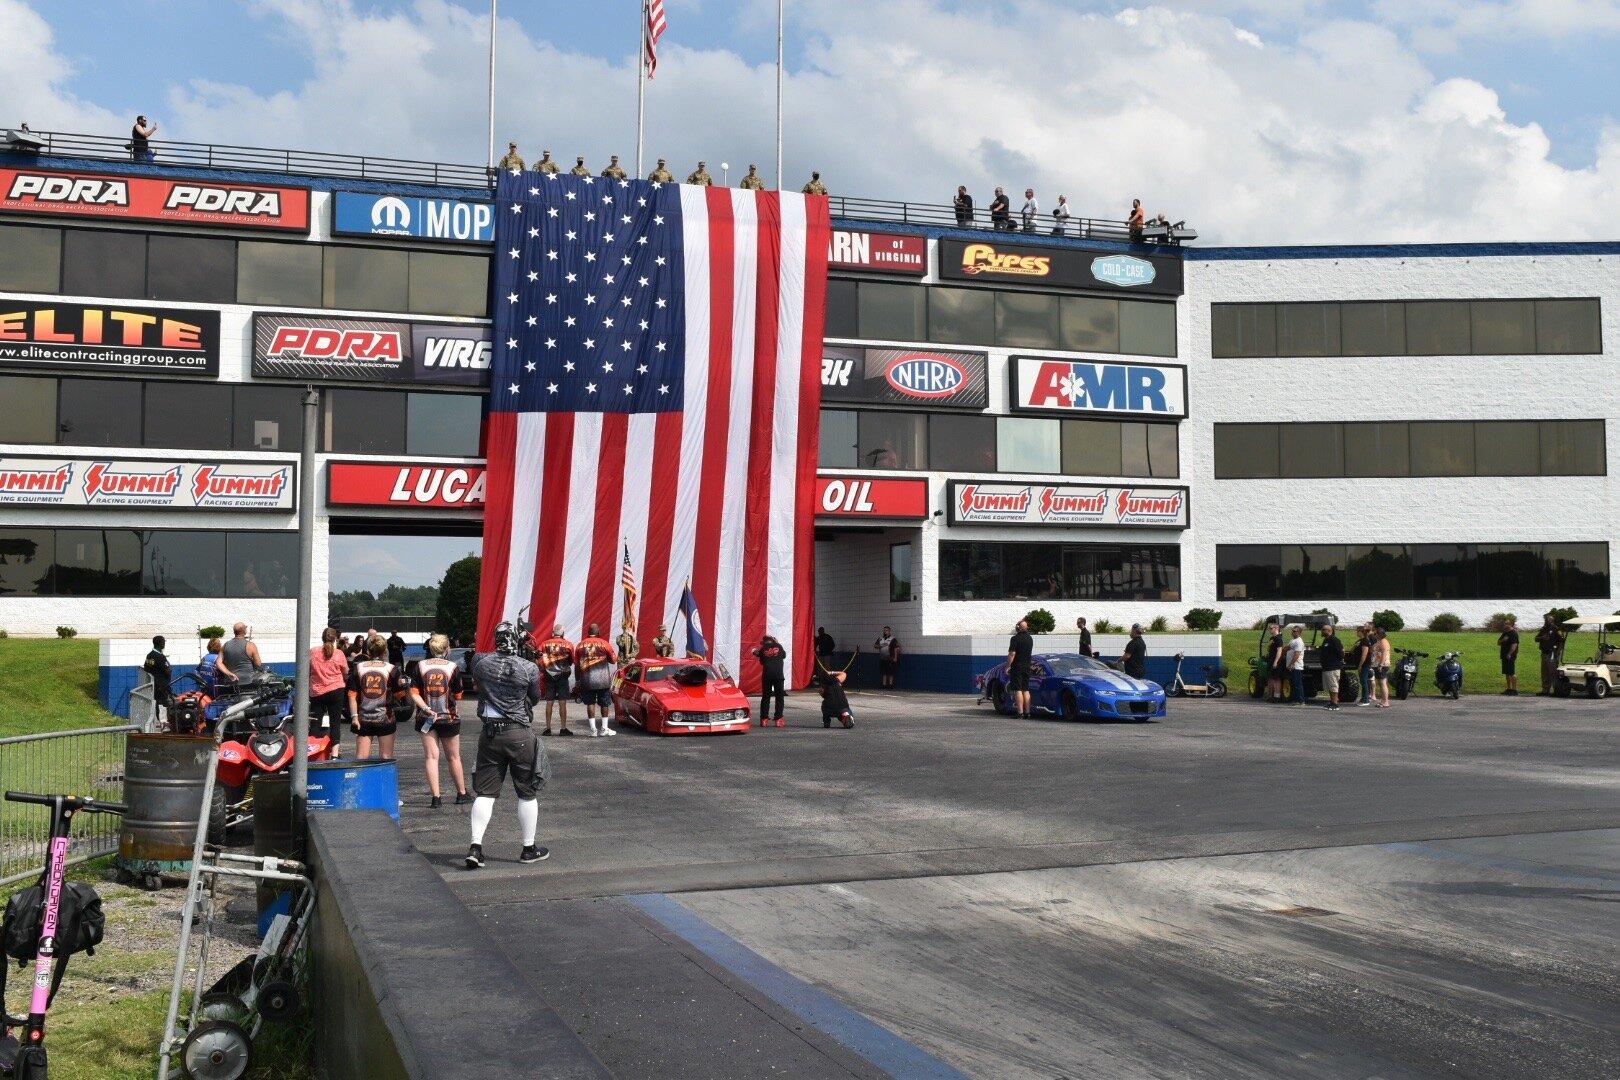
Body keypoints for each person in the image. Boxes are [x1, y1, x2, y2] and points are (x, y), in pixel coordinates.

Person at [466, 622, 550, 868]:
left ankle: (475, 846)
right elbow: (534, 698)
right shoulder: (528, 668)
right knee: (526, 792)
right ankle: (528, 848)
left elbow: (480, 676)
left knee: (485, 793)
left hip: (490, 733)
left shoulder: (480, 662)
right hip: (518, 733)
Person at [411, 634, 469, 809]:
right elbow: (458, 695)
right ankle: (461, 793)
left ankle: (436, 798)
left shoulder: (419, 666)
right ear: (446, 649)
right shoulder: (453, 667)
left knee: (431, 757)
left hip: (426, 717)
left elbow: (414, 693)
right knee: (454, 757)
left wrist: (426, 708)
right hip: (448, 717)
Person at [347, 635, 404, 761]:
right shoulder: (391, 669)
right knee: (386, 758)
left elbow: (351, 695)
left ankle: (363, 781)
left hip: (363, 719)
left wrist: (354, 717)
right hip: (385, 719)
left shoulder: (358, 668)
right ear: (385, 651)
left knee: (361, 759)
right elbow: (400, 695)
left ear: (368, 651)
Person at [309, 627, 350, 757]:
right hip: (336, 689)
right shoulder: (339, 654)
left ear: (322, 638)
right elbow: (346, 672)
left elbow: (307, 669)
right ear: (335, 639)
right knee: (335, 722)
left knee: (315, 721)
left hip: (317, 691)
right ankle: (335, 753)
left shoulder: (313, 652)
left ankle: (314, 752)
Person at [574, 623, 617, 737]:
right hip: (603, 680)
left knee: (590, 703)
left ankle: (593, 730)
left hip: (587, 680)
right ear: (598, 632)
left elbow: (577, 666)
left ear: (588, 632)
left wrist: (577, 681)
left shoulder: (580, 645)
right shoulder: (604, 643)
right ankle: (604, 728)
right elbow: (613, 660)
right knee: (605, 703)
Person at [535, 626, 576, 736]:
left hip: (549, 676)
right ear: (563, 633)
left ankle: (548, 728)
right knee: (562, 702)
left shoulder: (544, 644)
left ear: (553, 632)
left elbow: (538, 657)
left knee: (549, 702)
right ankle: (563, 728)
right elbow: (572, 660)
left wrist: (544, 666)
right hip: (563, 676)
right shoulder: (568, 644)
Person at [215, 623, 263, 690]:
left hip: (231, 683)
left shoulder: (226, 645)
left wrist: (229, 674)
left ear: (234, 632)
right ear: (244, 631)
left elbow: (218, 662)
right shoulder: (251, 646)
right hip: (247, 683)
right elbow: (258, 664)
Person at [753, 634, 787, 728]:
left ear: (764, 642)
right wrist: (777, 643)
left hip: (767, 675)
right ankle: (778, 719)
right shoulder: (779, 646)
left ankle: (764, 720)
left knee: (766, 697)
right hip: (778, 675)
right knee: (779, 697)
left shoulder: (763, 648)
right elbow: (784, 655)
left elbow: (760, 659)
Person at [1007, 619, 1034, 718]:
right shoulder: (1030, 638)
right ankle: (1028, 712)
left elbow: (1012, 653)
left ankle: (1020, 712)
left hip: (1017, 667)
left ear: (1018, 628)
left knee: (1018, 689)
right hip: (1027, 666)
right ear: (1027, 628)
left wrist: (1008, 665)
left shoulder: (1015, 639)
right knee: (1026, 689)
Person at [143, 635, 173, 726]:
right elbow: (167, 670)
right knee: (162, 703)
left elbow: (146, 668)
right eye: (163, 642)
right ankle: (163, 722)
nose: (164, 644)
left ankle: (161, 720)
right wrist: (169, 669)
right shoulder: (160, 657)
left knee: (157, 702)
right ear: (161, 643)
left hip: (154, 684)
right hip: (162, 685)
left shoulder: (150, 655)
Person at [1535, 613, 1565, 695]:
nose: (1545, 621)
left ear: (1551, 621)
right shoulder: (1543, 629)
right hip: (1544, 653)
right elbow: (1536, 638)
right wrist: (1542, 638)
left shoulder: (1556, 629)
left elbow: (1561, 642)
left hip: (1552, 653)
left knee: (1553, 672)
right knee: (1544, 672)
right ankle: (1545, 690)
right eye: (1545, 620)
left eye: (1547, 620)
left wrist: (1557, 653)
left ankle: (1556, 690)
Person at [1318, 622, 1344, 711]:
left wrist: (1338, 660)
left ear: (1329, 631)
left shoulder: (1334, 640)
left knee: (1333, 686)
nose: (1321, 631)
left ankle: (1335, 703)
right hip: (1326, 667)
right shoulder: (1326, 640)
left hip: (1333, 667)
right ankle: (1332, 701)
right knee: (1329, 686)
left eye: (1323, 630)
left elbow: (1340, 652)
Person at [1344, 625, 1370, 708]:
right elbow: (1352, 650)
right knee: (1362, 681)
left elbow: (1364, 654)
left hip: (1364, 664)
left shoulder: (1365, 641)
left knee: (1364, 681)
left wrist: (1360, 665)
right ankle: (1363, 698)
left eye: (1357, 631)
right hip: (1360, 663)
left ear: (1361, 632)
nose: (1356, 632)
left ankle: (1366, 699)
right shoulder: (1360, 641)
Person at [1279, 626, 1306, 704]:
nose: (1293, 632)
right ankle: (1296, 699)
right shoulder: (1293, 641)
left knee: (1298, 684)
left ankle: (1301, 700)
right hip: (1292, 666)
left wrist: (1291, 664)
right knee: (1294, 683)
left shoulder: (1299, 642)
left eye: (1295, 631)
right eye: (1292, 631)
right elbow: (1287, 648)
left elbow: (1297, 654)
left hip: (1296, 666)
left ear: (1299, 632)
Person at [1369, 628, 1392, 708]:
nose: (1374, 635)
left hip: (1382, 665)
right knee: (1381, 683)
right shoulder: (1379, 641)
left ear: (1380, 634)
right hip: (1378, 664)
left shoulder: (1383, 641)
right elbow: (1373, 649)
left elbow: (1384, 653)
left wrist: (1381, 664)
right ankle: (1383, 701)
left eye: (1375, 634)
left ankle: (1385, 701)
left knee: (1383, 683)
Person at [1498, 616, 1520, 695]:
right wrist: (1503, 640)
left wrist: (1509, 654)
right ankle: (1509, 688)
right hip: (1504, 655)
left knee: (1511, 672)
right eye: (1505, 624)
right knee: (1506, 672)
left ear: (1511, 624)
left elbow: (1514, 645)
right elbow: (1498, 642)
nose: (1505, 625)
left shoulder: (1514, 633)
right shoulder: (1505, 633)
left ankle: (1514, 690)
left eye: (1507, 624)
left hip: (1510, 655)